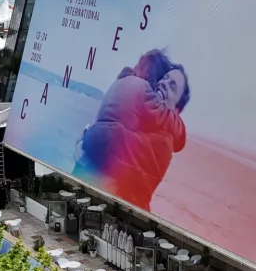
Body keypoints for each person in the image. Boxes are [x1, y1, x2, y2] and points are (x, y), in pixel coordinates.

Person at [73, 49, 190, 211]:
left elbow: (107, 140)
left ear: (177, 110)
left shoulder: (163, 142)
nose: (164, 83)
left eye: (172, 86)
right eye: (164, 78)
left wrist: (87, 136)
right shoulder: (145, 119)